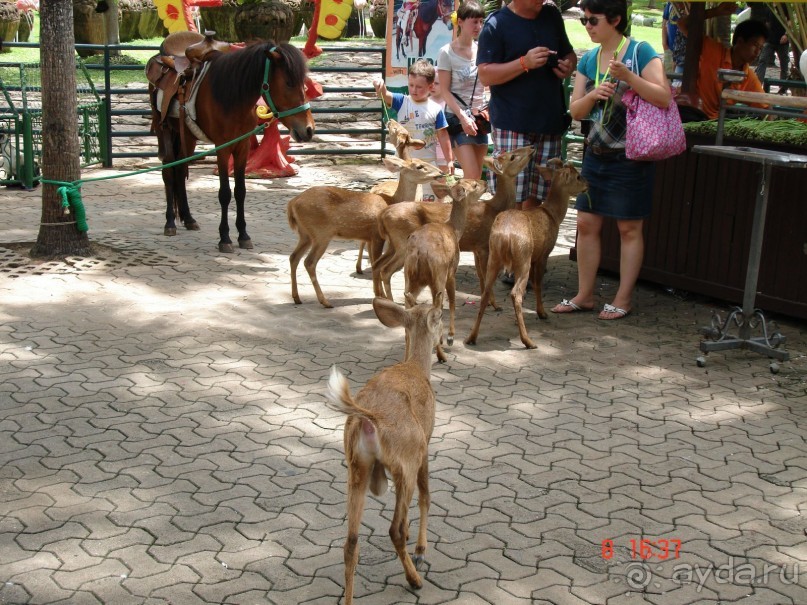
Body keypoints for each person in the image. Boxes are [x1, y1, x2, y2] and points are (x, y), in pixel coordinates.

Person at [550, 0, 671, 320]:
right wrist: (594, 94)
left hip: (631, 157)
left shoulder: (641, 51)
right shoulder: (590, 59)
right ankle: (585, 295)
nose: (587, 26)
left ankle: (623, 298)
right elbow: (576, 110)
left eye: (593, 20)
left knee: (629, 228)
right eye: (585, 20)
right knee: (587, 224)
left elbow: (663, 96)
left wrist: (629, 77)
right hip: (596, 154)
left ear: (615, 20)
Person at [476, 0, 577, 210]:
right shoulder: (496, 24)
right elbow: (485, 74)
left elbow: (569, 53)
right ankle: (507, 242)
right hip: (512, 122)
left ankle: (528, 242)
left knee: (538, 197)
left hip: (549, 122)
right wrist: (524, 63)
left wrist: (568, 65)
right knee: (511, 198)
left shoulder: (551, 15)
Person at [374, 59, 453, 201]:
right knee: (404, 202)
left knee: (430, 204)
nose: (414, 90)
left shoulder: (436, 109)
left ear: (430, 87)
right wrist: (379, 84)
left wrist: (450, 160)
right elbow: (385, 95)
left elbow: (443, 135)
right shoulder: (402, 101)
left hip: (428, 164)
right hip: (405, 165)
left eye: (419, 87)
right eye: (411, 85)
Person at [678, 7, 768, 120]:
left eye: (760, 48)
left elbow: (766, 107)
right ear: (740, 41)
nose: (757, 52)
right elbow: (682, 24)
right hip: (690, 114)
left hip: (714, 125)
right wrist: (715, 12)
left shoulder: (748, 77)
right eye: (755, 45)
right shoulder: (712, 50)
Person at [436, 0, 488, 180]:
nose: (478, 26)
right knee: (472, 175)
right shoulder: (446, 52)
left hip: (480, 119)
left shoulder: (483, 50)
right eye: (474, 21)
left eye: (481, 21)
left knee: (475, 178)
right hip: (457, 119)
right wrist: (463, 117)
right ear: (460, 21)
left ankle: (463, 207)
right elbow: (444, 91)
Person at [754, 5, 790, 94]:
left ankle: (783, 88)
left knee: (784, 64)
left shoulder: (784, 7)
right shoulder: (768, 8)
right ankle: (758, 85)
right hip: (770, 41)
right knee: (762, 60)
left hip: (782, 41)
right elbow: (766, 23)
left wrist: (786, 34)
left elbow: (790, 21)